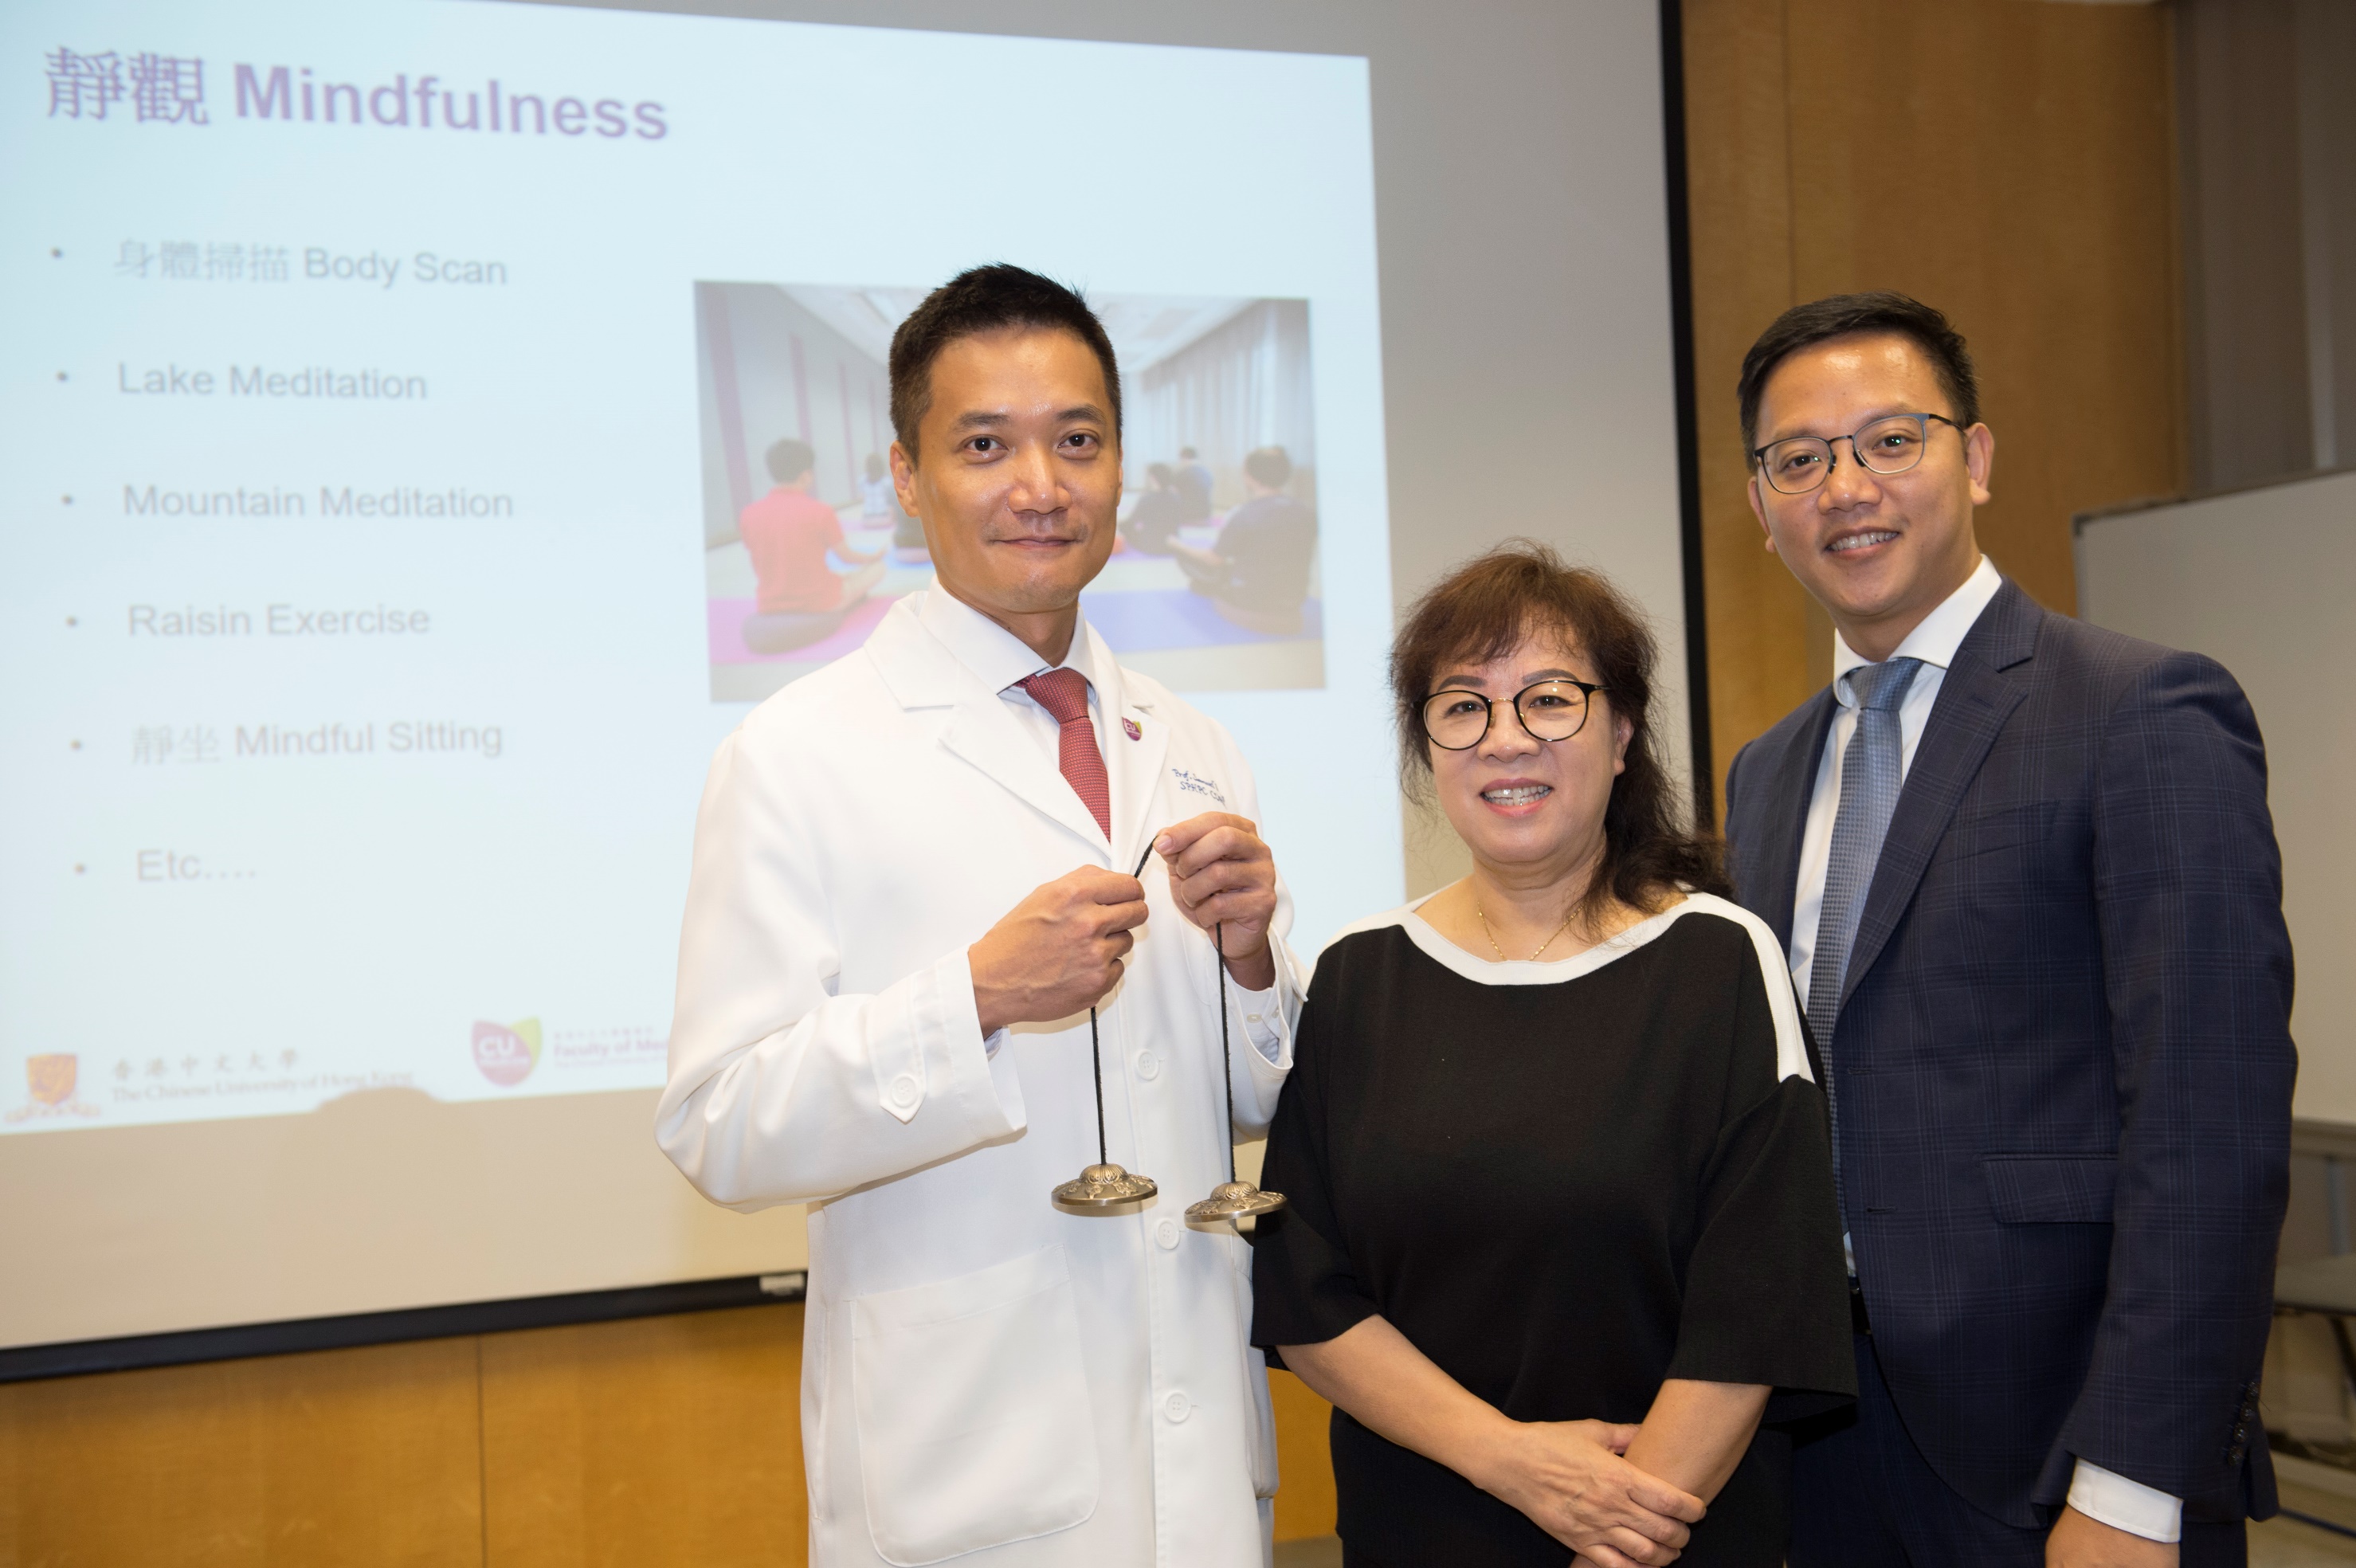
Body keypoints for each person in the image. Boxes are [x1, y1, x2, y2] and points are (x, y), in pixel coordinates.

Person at [659, 265, 1306, 1566]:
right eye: (983, 444)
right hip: (961, 1477)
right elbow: (719, 1122)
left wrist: (1249, 963)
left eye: (1077, 439)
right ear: (904, 474)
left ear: (1122, 463)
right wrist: (975, 999)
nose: (1040, 484)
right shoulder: (796, 753)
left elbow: (1249, 1099)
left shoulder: (1188, 740)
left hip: (1193, 1464)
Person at [1719, 292, 2295, 1566]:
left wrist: (2134, 1486)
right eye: (1799, 460)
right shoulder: (1766, 773)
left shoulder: (2141, 712)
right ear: (1761, 507)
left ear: (1973, 459)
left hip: (2059, 1461)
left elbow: (2208, 1128)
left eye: (1889, 441)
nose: (1846, 487)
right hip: (1817, 1447)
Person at [1253, 543, 1854, 1567]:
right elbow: (1307, 1295)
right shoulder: (1359, 977)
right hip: (1421, 1530)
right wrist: (1510, 1461)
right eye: (1462, 707)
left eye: (1548, 700)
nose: (1504, 740)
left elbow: (1757, 1303)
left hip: (1661, 1537)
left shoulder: (1715, 960)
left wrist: (1612, 1535)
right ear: (1426, 749)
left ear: (1621, 732)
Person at [738, 437, 886, 653]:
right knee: (877, 569)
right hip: (820, 602)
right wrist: (873, 557)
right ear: (806, 476)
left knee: (837, 576)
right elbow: (846, 557)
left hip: (770, 604)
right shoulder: (820, 511)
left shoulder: (748, 514)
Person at [1172, 447, 1319, 635]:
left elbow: (1214, 559)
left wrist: (1178, 545)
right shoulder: (1307, 512)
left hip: (1250, 597)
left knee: (1196, 566)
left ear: (1250, 477)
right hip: (1295, 596)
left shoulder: (1245, 514)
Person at [1119, 461, 1190, 556]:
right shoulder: (1176, 498)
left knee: (1123, 526)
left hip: (1149, 545)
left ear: (1153, 478)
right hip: (1171, 545)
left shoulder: (1147, 499)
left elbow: (1132, 521)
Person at [1175, 444, 1215, 521]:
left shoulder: (1182, 474)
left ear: (1184, 457)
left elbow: (1173, 494)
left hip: (1187, 515)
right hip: (1206, 513)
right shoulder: (1208, 473)